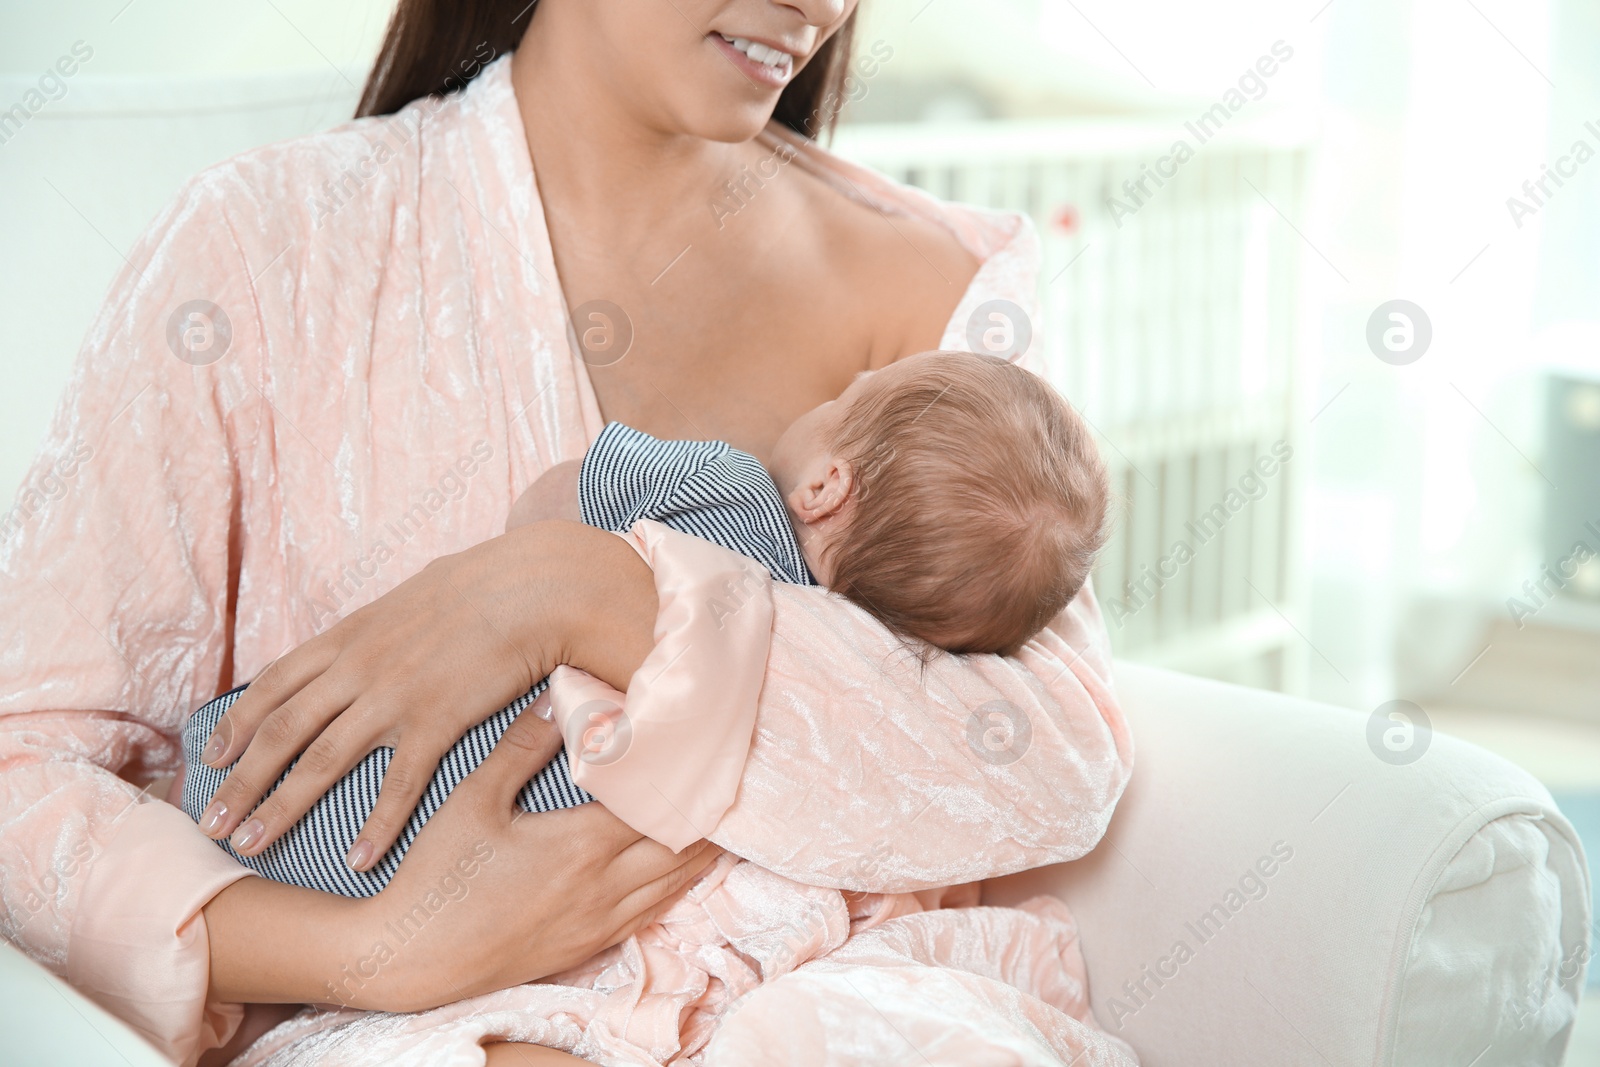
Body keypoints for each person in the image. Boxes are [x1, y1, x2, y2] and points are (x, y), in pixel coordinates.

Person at [0, 1, 1135, 1063]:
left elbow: (1051, 759)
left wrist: (592, 595)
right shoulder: (267, 249)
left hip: (834, 1001)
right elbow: (23, 772)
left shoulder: (928, 285)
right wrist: (382, 949)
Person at [178, 350, 1110, 899]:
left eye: (848, 396)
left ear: (827, 485)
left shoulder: (729, 485)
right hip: (422, 871)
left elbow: (540, 511)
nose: (823, 396)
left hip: (285, 779)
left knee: (248, 750)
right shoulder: (827, 670)